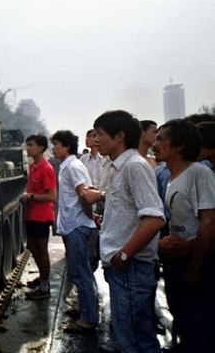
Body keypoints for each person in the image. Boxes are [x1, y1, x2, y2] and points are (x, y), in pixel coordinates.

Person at [91, 110, 165, 352]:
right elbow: (132, 213)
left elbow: (154, 218)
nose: (96, 139)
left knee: (136, 341)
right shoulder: (119, 167)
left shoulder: (134, 166)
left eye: (100, 134)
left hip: (130, 268)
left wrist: (123, 255)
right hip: (124, 267)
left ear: (119, 135)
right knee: (128, 336)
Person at [154, 119, 215, 353]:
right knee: (182, 318)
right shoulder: (171, 178)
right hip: (177, 261)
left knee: (199, 325)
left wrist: (195, 266)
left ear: (178, 145)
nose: (155, 144)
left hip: (198, 264)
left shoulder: (199, 173)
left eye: (161, 139)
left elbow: (209, 222)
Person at [51, 130, 98, 332]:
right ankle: (86, 310)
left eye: (56, 144)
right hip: (74, 224)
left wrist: (89, 216)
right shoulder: (68, 165)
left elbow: (84, 195)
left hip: (77, 226)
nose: (53, 148)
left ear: (67, 147)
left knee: (81, 273)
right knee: (80, 271)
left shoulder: (73, 166)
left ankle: (89, 318)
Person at [19, 134, 57, 299]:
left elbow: (52, 196)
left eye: (31, 145)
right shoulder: (33, 167)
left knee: (41, 250)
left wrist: (30, 197)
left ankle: (44, 286)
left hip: (41, 216)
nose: (28, 148)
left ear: (41, 148)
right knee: (32, 248)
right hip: (32, 214)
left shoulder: (46, 168)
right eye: (27, 145)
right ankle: (42, 277)